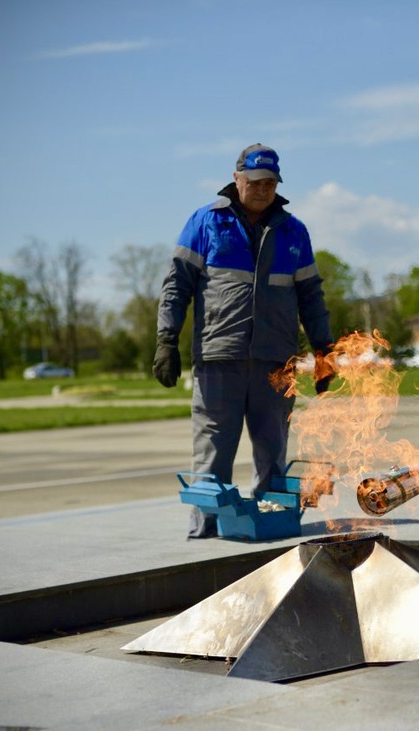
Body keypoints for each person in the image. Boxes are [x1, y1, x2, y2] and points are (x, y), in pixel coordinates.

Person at [154, 143, 335, 539]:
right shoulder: (205, 223)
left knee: (273, 458)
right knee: (212, 458)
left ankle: (269, 533)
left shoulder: (294, 232)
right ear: (237, 179)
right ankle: (205, 538)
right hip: (220, 361)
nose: (262, 189)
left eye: (270, 182)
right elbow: (175, 287)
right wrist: (166, 338)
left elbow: (311, 297)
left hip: (276, 365)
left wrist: (324, 350)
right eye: (254, 181)